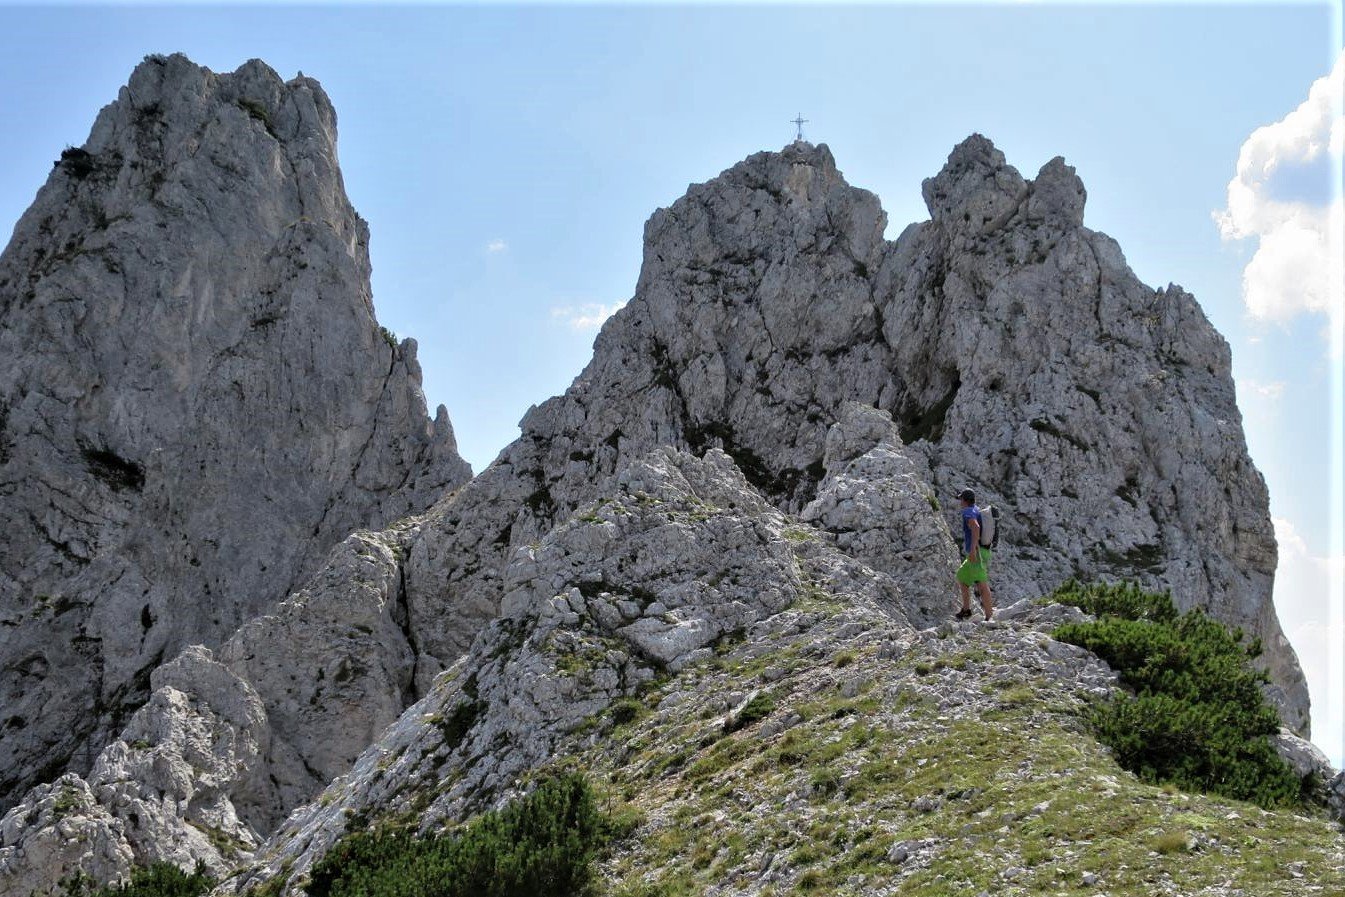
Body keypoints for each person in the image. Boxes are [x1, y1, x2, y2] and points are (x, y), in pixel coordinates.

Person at [953, 488, 994, 621]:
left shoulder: (968, 512)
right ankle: (966, 610)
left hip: (977, 552)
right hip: (981, 550)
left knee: (982, 584)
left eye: (961, 499)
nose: (960, 502)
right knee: (962, 577)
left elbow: (975, 527)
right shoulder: (975, 509)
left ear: (964, 500)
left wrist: (972, 550)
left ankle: (989, 617)